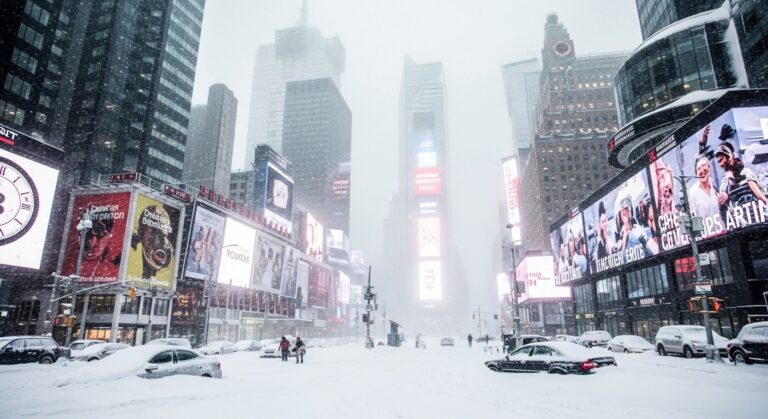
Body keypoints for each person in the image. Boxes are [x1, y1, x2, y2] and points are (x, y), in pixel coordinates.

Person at [716, 142, 768, 212]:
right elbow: (726, 208)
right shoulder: (724, 183)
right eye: (718, 162)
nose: (721, 164)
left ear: (730, 155)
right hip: (740, 220)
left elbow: (762, 198)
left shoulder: (746, 173)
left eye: (722, 159)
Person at [131, 205, 175, 280]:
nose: (159, 238)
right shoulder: (132, 250)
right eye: (153, 230)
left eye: (164, 234)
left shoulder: (166, 256)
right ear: (142, 231)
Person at [688, 155, 722, 222]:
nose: (702, 170)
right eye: (699, 168)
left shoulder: (715, 186)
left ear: (709, 168)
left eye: (704, 165)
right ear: (696, 174)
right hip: (707, 232)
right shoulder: (693, 192)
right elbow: (694, 219)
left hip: (723, 230)